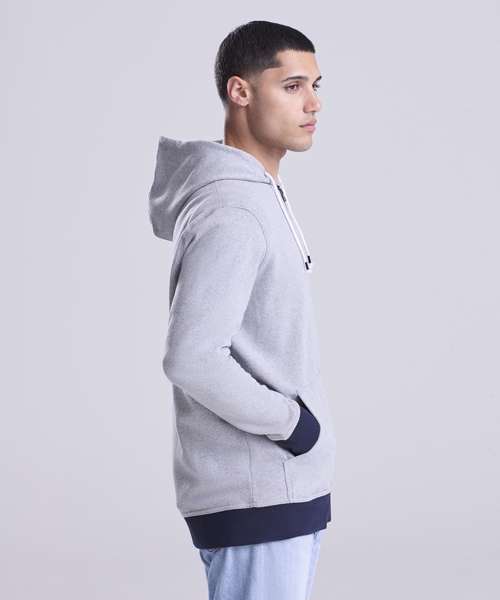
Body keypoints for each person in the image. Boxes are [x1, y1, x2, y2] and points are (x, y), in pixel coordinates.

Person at [148, 19, 337, 600]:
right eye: (293, 86)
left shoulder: (255, 195)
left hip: (273, 491)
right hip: (258, 494)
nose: (313, 103)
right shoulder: (235, 209)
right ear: (241, 91)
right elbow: (192, 357)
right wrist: (293, 425)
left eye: (316, 86)